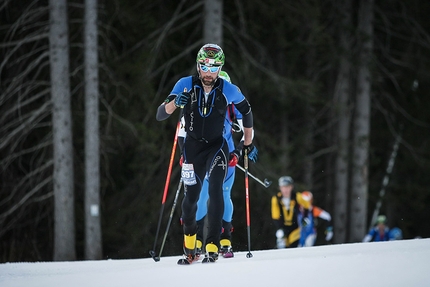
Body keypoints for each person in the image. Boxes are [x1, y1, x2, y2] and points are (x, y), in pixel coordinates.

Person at [156, 44, 258, 264]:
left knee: (216, 191)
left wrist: (246, 143)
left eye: (214, 68)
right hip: (193, 149)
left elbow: (247, 111)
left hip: (217, 148)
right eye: (204, 67)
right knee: (190, 200)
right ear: (198, 66)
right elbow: (160, 114)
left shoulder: (228, 88)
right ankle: (190, 247)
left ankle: (213, 243)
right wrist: (175, 103)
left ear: (220, 67)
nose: (209, 72)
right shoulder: (185, 84)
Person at [178, 71, 247, 259]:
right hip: (201, 155)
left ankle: (224, 238)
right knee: (199, 195)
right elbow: (183, 132)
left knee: (223, 193)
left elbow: (248, 131)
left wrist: (239, 151)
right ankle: (198, 240)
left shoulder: (234, 108)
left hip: (225, 155)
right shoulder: (199, 102)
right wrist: (184, 153)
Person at [271, 176, 310, 248]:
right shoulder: (276, 199)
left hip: (295, 228)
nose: (285, 190)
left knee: (293, 247)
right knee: (282, 247)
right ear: (280, 188)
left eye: (287, 187)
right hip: (282, 228)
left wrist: (305, 217)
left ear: (291, 187)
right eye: (283, 187)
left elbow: (307, 206)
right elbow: (275, 216)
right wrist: (280, 228)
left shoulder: (297, 196)